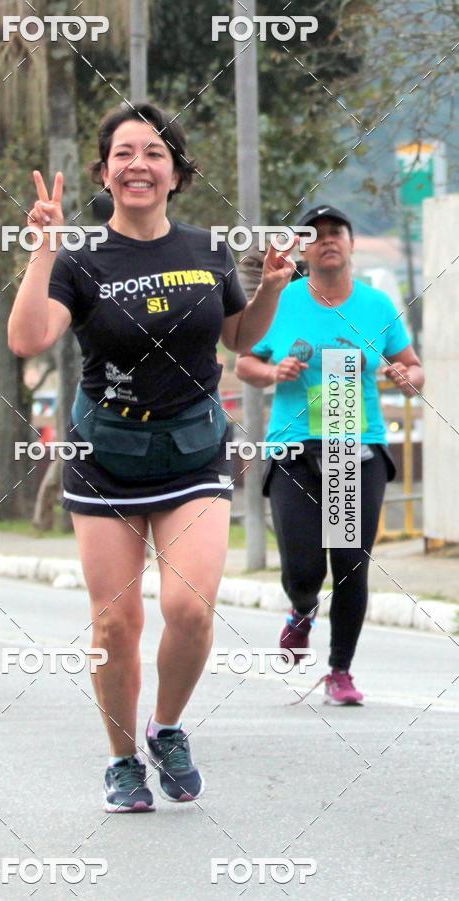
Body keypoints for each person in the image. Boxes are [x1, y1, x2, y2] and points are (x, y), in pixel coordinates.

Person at [8, 103, 296, 811]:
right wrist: (43, 248)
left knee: (189, 608)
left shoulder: (207, 248)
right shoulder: (80, 258)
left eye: (155, 153)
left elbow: (238, 337)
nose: (139, 164)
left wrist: (271, 288)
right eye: (124, 153)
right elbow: (28, 339)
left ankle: (166, 727)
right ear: (105, 171)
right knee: (116, 623)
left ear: (176, 172)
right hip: (105, 453)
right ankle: (121, 760)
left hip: (193, 449)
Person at [235, 205, 424, 705]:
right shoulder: (282, 300)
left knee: (349, 562)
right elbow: (244, 362)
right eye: (315, 235)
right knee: (303, 566)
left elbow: (412, 367)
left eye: (336, 232)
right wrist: (273, 372)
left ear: (351, 243)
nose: (327, 240)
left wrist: (404, 377)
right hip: (294, 445)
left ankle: (340, 670)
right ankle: (301, 609)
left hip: (354, 445)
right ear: (304, 250)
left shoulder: (377, 305)